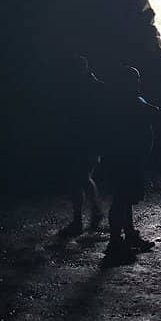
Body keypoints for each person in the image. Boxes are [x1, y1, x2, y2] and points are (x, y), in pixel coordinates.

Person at [100, 66, 161, 263]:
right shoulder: (132, 101)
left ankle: (128, 235)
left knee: (124, 198)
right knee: (121, 199)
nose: (138, 82)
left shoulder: (112, 101)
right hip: (128, 158)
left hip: (117, 156)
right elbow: (156, 114)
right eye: (135, 79)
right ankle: (115, 241)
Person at [58, 55, 105, 238]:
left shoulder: (84, 88)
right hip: (85, 139)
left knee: (79, 178)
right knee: (82, 177)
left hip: (85, 140)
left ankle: (80, 220)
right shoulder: (95, 87)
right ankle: (94, 212)